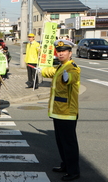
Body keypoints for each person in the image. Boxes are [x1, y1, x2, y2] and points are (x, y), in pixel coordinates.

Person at [39, 40, 81, 181]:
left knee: (69, 144)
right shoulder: (60, 67)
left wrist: (67, 78)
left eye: (64, 51)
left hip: (67, 113)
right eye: (59, 51)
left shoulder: (72, 68)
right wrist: (41, 70)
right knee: (61, 142)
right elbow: (50, 71)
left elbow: (72, 78)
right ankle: (65, 165)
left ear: (70, 53)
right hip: (58, 112)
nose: (61, 53)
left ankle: (73, 171)